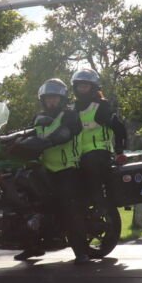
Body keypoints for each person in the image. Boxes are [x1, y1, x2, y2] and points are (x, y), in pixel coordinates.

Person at [12, 78, 90, 265]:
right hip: (45, 168)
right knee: (28, 204)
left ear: (62, 99)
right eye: (48, 98)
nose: (51, 102)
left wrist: (46, 141)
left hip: (67, 168)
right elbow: (27, 133)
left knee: (68, 208)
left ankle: (81, 251)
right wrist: (11, 142)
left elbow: (65, 134)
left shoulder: (71, 115)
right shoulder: (38, 118)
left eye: (54, 98)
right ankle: (32, 246)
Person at [71, 69, 127, 217]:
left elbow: (119, 128)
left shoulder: (101, 106)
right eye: (79, 86)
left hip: (99, 151)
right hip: (78, 154)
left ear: (93, 87)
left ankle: (99, 203)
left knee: (91, 165)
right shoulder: (72, 109)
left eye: (85, 86)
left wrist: (119, 150)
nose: (82, 89)